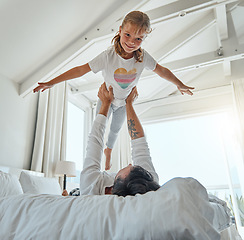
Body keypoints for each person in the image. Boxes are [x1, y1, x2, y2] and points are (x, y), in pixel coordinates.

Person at [33, 11, 194, 171]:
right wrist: (51, 83)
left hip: (124, 103)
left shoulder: (142, 57)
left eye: (138, 38)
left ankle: (108, 151)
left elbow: (161, 70)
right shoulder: (108, 56)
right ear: (120, 30)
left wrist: (179, 84)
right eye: (128, 35)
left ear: (144, 38)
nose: (131, 42)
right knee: (98, 129)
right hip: (106, 99)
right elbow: (80, 70)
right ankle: (100, 154)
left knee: (115, 131)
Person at [78, 83, 160, 196]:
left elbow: (95, 141)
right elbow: (140, 145)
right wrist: (129, 104)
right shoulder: (147, 182)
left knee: (114, 129)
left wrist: (105, 104)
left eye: (131, 169)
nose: (131, 164)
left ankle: (108, 151)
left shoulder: (90, 186)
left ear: (113, 188)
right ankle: (109, 151)